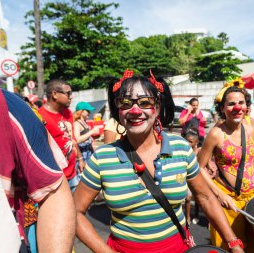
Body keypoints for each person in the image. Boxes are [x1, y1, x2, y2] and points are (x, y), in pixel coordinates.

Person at [74, 70, 244, 253]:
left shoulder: (180, 147)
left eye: (145, 102)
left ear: (157, 106)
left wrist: (233, 243)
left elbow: (205, 197)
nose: (135, 110)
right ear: (118, 110)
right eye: (125, 103)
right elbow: (75, 213)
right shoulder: (102, 158)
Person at [0, 42, 75, 252]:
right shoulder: (27, 111)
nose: (71, 97)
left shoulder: (8, 106)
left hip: (48, 184)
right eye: (67, 92)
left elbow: (53, 190)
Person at [197, 83, 254, 253]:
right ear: (222, 108)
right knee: (231, 249)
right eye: (232, 104)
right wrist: (221, 195)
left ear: (247, 107)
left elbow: (252, 162)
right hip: (227, 203)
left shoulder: (250, 130)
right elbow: (200, 167)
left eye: (241, 103)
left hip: (251, 200)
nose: (237, 107)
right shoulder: (216, 134)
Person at [39, 79, 83, 191]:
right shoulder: (40, 117)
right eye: (68, 93)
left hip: (73, 172)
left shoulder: (67, 112)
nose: (71, 97)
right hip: (56, 177)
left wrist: (80, 158)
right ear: (54, 94)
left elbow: (71, 138)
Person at [73, 101, 100, 169]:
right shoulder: (77, 123)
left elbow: (87, 137)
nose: (90, 113)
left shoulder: (84, 122)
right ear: (81, 112)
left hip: (88, 153)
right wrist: (92, 131)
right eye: (87, 111)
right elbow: (77, 140)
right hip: (82, 155)